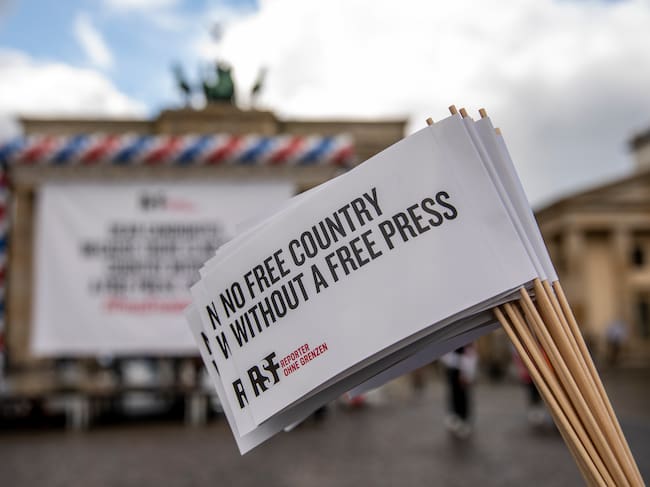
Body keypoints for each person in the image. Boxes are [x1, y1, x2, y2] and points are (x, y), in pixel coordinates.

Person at [440, 344, 477, 439]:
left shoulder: (465, 343)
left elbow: (468, 355)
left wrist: (466, 373)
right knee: (455, 395)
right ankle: (456, 416)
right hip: (454, 371)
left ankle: (464, 420)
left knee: (462, 396)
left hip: (461, 371)